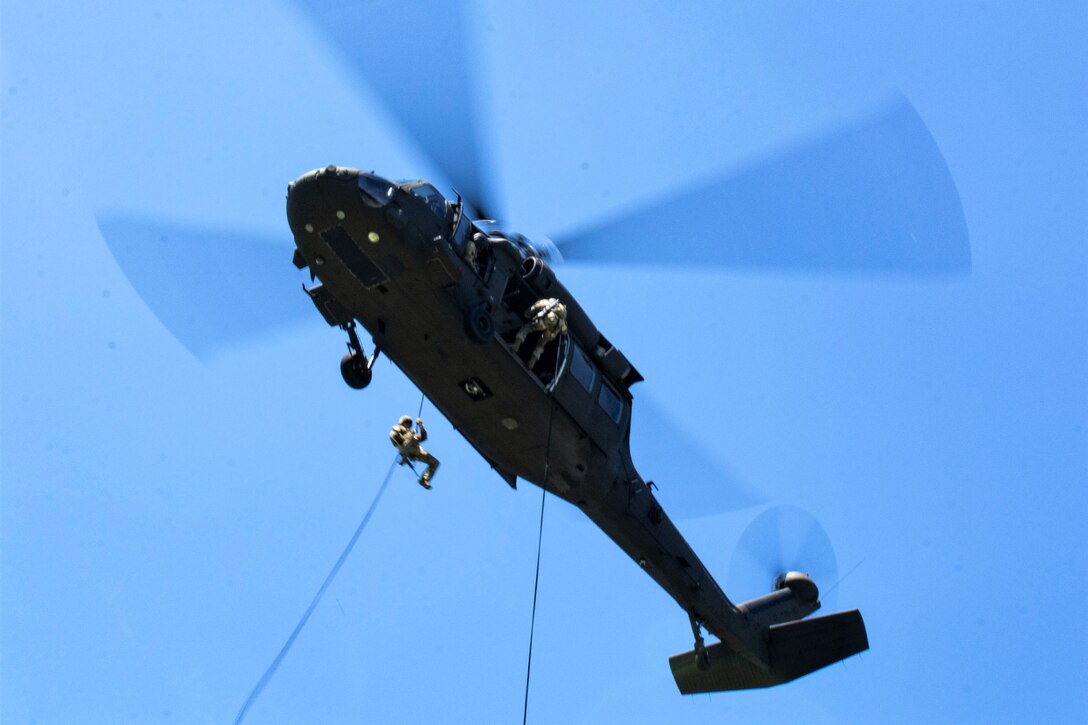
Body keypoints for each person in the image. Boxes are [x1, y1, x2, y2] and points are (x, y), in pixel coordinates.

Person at [513, 297, 569, 368]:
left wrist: (528, 312)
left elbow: (536, 306)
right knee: (541, 344)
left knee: (526, 328)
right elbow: (564, 332)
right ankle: (531, 363)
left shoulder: (548, 303)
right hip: (552, 332)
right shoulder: (563, 320)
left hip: (543, 323)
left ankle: (516, 345)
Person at [389, 415, 440, 489]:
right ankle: (405, 458)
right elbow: (393, 436)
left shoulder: (411, 433)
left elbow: (424, 437)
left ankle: (424, 480)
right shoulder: (398, 428)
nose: (409, 426)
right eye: (407, 423)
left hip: (415, 452)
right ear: (403, 423)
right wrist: (403, 450)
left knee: (435, 462)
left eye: (410, 424)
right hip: (405, 446)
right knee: (412, 437)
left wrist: (421, 425)